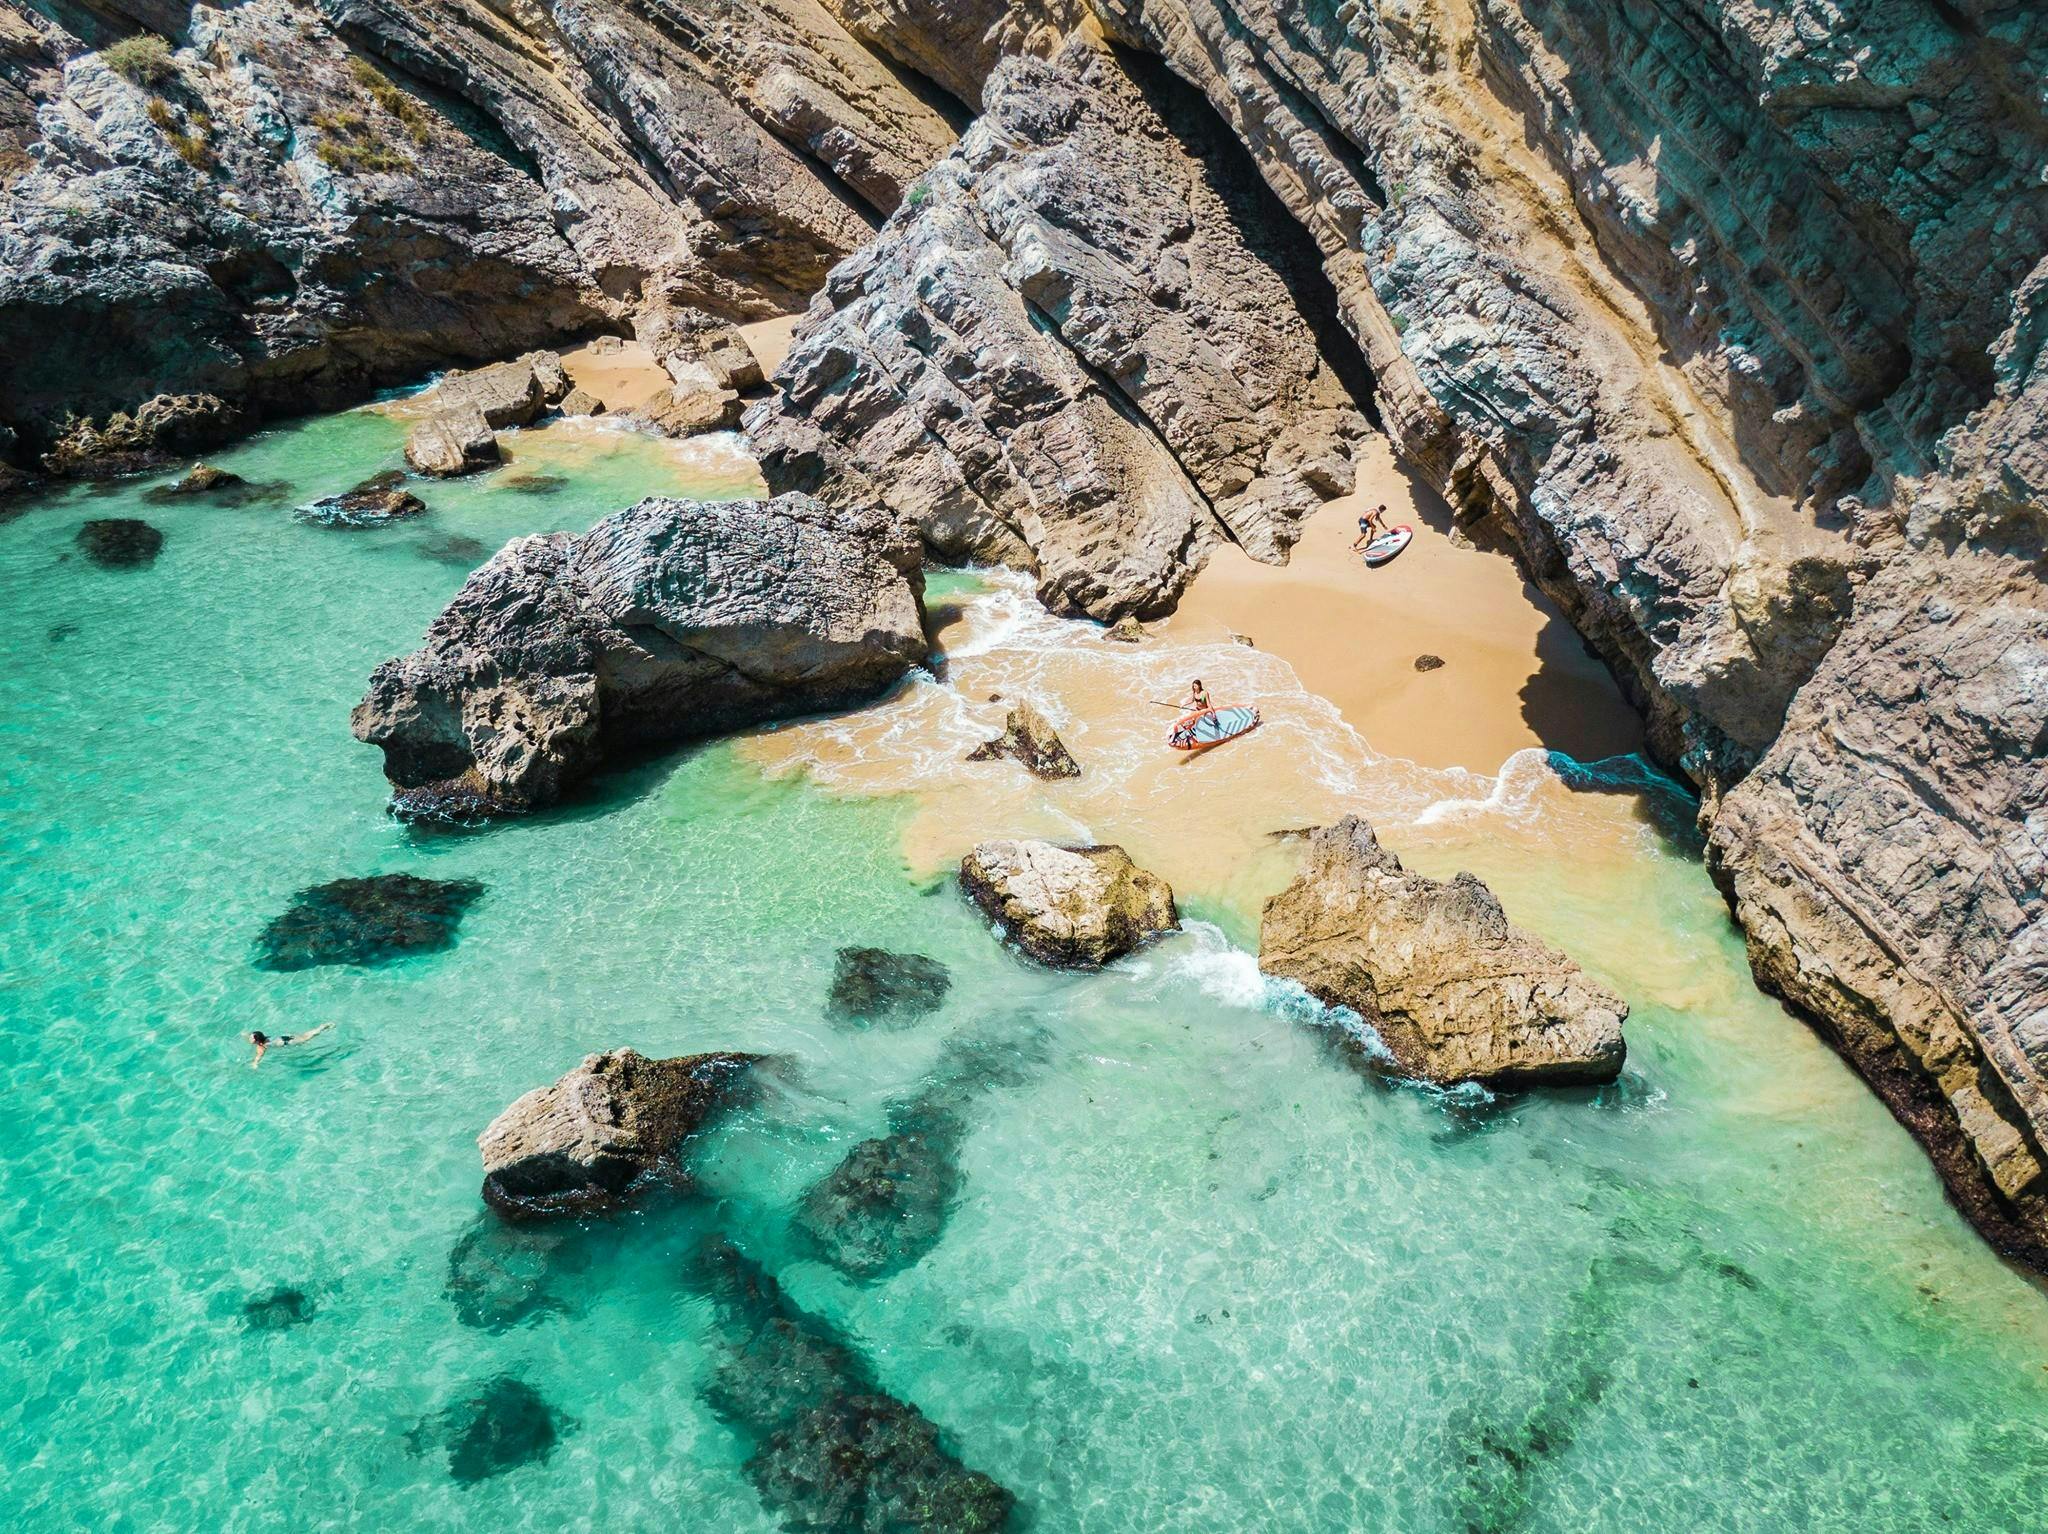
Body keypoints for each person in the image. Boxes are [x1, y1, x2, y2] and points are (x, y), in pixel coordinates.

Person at [249, 1023, 333, 1068]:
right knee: (305, 1035)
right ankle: (321, 1027)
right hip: (286, 1036)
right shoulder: (264, 1038)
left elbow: (259, 1055)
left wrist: (255, 1063)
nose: (250, 1038)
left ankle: (322, 1027)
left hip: (289, 1042)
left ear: (257, 1041)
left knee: (307, 1038)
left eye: (251, 1038)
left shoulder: (262, 1046)